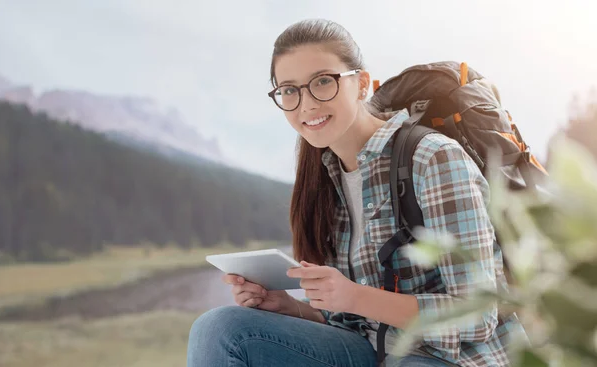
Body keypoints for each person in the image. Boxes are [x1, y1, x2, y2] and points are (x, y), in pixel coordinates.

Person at [187, 18, 524, 367]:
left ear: (361, 83)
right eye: (289, 90)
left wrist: (355, 297)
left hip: (455, 360)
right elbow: (356, 323)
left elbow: (478, 315)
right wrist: (293, 308)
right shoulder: (324, 176)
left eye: (322, 82)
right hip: (377, 352)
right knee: (220, 329)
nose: (307, 105)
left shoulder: (433, 158)